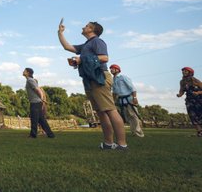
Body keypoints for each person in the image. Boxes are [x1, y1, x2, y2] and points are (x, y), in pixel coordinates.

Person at [58, 20, 128, 150]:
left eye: (86, 26)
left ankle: (122, 144)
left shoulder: (97, 41)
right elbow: (68, 47)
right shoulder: (86, 45)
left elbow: (104, 58)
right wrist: (60, 33)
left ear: (92, 30)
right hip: (89, 79)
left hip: (99, 77)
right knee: (101, 112)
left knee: (110, 109)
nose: (83, 27)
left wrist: (82, 59)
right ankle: (108, 143)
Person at [110, 64, 144, 137]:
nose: (111, 70)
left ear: (117, 70)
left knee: (133, 115)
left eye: (113, 68)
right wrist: (113, 101)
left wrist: (134, 98)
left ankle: (138, 132)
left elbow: (132, 88)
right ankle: (133, 132)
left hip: (129, 98)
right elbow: (115, 92)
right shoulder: (113, 80)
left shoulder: (123, 77)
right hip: (121, 99)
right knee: (127, 117)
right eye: (111, 69)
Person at [23, 68, 55, 139]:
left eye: (24, 71)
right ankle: (50, 134)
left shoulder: (30, 80)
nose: (23, 72)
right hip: (36, 102)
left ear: (28, 73)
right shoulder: (29, 80)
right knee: (41, 120)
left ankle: (33, 135)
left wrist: (42, 98)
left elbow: (38, 90)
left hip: (35, 103)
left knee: (34, 119)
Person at [176, 67, 202, 137]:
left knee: (200, 115)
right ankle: (199, 132)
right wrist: (179, 95)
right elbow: (181, 90)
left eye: (185, 71)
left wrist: (198, 92)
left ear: (190, 72)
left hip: (199, 100)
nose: (184, 72)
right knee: (192, 115)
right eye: (183, 71)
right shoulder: (182, 82)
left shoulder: (194, 80)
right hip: (190, 100)